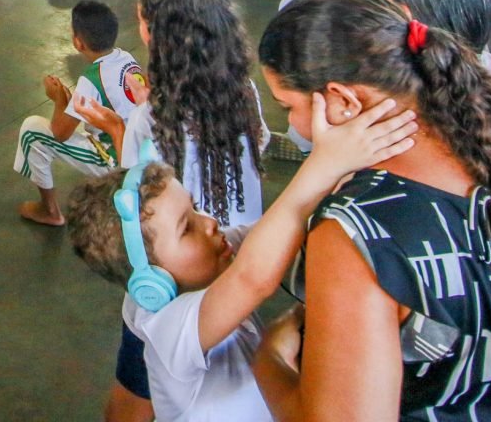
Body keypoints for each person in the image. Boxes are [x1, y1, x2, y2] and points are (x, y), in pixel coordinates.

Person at [254, 0, 491, 419]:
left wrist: (269, 359)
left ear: (343, 101)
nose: (289, 122)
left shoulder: (360, 232)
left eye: (286, 106)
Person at [68, 90, 408, 422]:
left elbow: (279, 233)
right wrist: (324, 165)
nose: (210, 223)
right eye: (187, 228)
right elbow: (254, 278)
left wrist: (344, 164)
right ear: (151, 283)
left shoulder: (210, 258)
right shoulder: (167, 326)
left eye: (196, 208)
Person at [69, 0, 271, 422]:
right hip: (233, 262)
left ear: (158, 34)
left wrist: (115, 125)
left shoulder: (151, 119)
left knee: (130, 406)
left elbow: (131, 208)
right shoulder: (244, 92)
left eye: (142, 18)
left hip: (172, 283)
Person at [12, 0, 141, 226]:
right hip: (142, 148)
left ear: (78, 42)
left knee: (32, 131)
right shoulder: (126, 59)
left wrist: (59, 100)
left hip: (117, 158)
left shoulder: (90, 80)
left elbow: (60, 133)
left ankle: (49, 210)